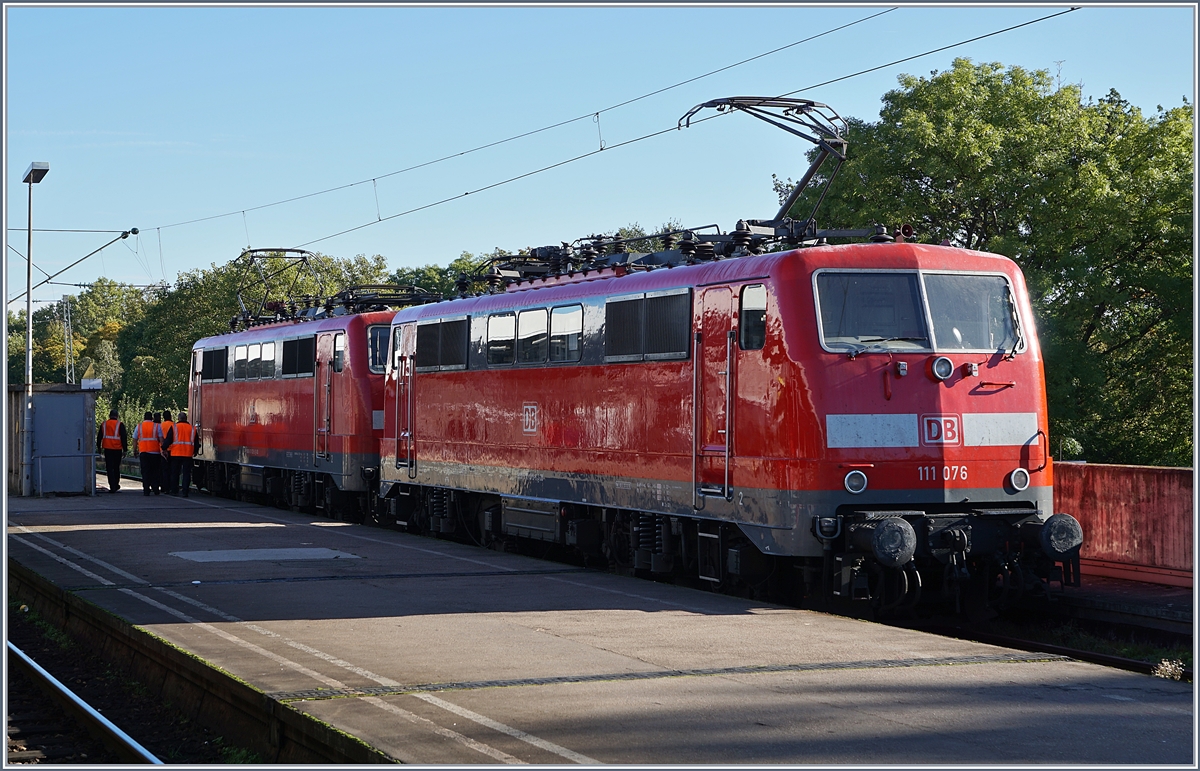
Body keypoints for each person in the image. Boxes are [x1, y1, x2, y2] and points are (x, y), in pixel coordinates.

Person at [163, 412, 198, 497]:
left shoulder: (174, 427)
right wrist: (195, 451)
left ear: (178, 418)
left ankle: (174, 490)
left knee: (175, 473)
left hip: (176, 454)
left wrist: (164, 448)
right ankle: (185, 491)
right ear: (186, 418)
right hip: (188, 454)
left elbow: (168, 440)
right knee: (186, 473)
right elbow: (196, 442)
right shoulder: (192, 429)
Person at [96, 409, 127, 493]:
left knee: (109, 468)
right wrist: (125, 449)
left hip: (107, 449)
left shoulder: (104, 424)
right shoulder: (120, 424)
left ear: (109, 416)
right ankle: (116, 484)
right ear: (117, 416)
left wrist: (98, 447)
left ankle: (112, 485)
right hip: (117, 449)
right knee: (116, 467)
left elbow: (99, 436)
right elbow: (124, 437)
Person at [132, 411, 162, 496]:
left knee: (145, 471)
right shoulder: (157, 426)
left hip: (143, 452)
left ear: (144, 418)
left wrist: (135, 451)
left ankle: (146, 489)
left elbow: (134, 440)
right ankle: (155, 488)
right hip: (155, 453)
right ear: (152, 418)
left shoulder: (139, 427)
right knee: (155, 471)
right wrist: (163, 450)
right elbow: (161, 439)